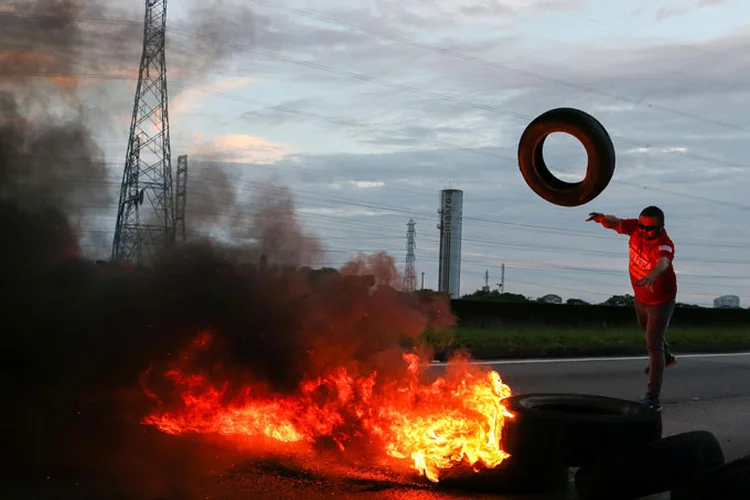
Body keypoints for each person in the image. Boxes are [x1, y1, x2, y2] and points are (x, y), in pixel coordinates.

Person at [586, 206, 677, 411]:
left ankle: (653, 398)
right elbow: (616, 222)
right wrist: (602, 218)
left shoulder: (665, 244)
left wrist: (652, 276)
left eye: (650, 228)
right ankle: (668, 357)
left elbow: (663, 262)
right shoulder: (636, 229)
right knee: (648, 332)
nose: (644, 231)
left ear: (661, 227)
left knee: (653, 344)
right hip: (641, 297)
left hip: (660, 301)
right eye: (641, 226)